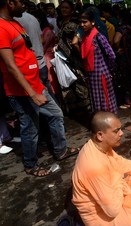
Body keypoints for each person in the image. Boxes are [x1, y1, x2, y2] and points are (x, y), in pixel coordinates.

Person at [0, 0, 79, 177]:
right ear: (10, 3)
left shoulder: (15, 23)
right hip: (22, 91)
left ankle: (61, 150)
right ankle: (30, 164)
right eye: (21, 2)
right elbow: (11, 66)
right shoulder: (1, 28)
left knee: (56, 114)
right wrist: (32, 93)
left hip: (36, 84)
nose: (25, 6)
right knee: (30, 127)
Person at [80, 9, 118, 114]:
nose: (82, 25)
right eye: (81, 22)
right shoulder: (85, 37)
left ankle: (109, 124)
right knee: (96, 100)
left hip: (101, 74)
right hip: (92, 75)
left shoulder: (99, 37)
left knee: (105, 101)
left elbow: (111, 55)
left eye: (85, 22)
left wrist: (108, 70)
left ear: (92, 22)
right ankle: (100, 123)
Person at [56, 0, 90, 114]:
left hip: (76, 56)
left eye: (66, 8)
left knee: (80, 79)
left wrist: (81, 55)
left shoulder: (75, 22)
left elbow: (79, 39)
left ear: (71, 9)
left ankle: (87, 105)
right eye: (62, 8)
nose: (64, 10)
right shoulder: (61, 22)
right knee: (70, 81)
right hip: (64, 58)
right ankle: (75, 107)